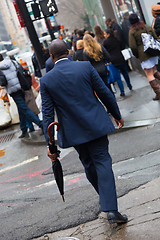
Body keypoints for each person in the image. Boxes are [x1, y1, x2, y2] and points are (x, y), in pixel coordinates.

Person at [40, 39, 128, 224]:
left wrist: (50, 144)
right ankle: (111, 208)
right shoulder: (85, 67)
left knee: (88, 164)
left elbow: (47, 115)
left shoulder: (46, 80)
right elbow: (104, 93)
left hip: (73, 132)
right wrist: (116, 115)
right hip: (96, 124)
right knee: (102, 161)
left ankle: (106, 202)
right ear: (69, 52)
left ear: (51, 56)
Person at [0, 54, 43, 138]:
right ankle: (23, 129)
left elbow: (3, 82)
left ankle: (41, 124)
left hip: (13, 91)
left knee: (25, 109)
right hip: (21, 87)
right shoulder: (11, 62)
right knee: (21, 109)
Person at [129, 13, 160, 100]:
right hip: (153, 52)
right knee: (154, 71)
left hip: (143, 55)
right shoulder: (146, 26)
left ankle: (158, 94)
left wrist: (137, 55)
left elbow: (133, 46)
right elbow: (154, 37)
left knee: (149, 74)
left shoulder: (132, 31)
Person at [103, 29, 132, 96]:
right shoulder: (116, 39)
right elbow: (122, 47)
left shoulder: (105, 42)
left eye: (105, 34)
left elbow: (105, 52)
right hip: (121, 58)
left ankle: (122, 91)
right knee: (125, 73)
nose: (104, 35)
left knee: (118, 76)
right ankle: (129, 85)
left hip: (113, 60)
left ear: (108, 34)